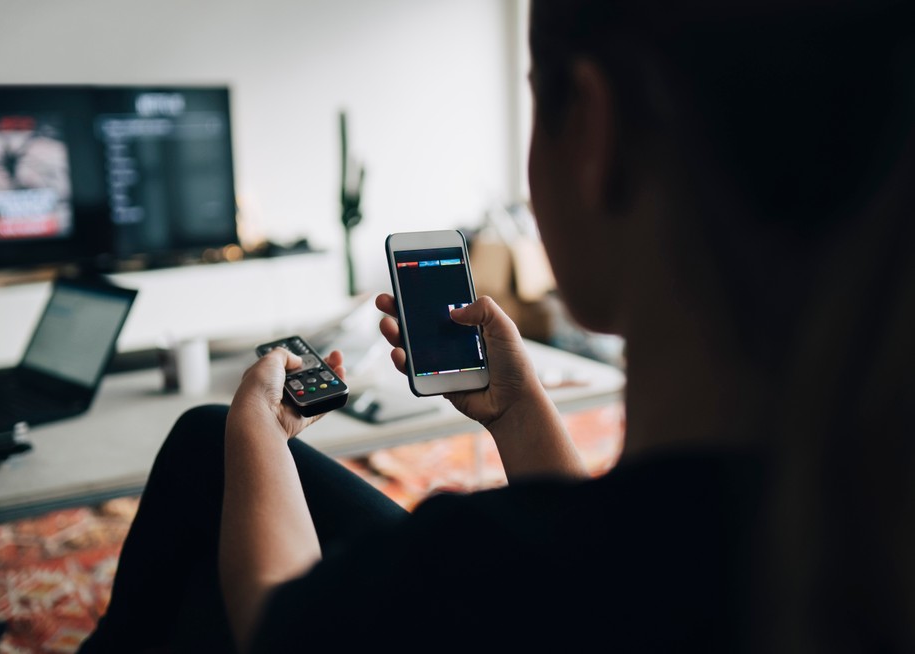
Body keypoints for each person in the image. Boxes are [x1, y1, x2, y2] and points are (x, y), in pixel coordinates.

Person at [78, 0, 915, 651]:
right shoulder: (846, 519)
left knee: (207, 455)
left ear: (593, 132)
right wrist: (518, 414)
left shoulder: (474, 579)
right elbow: (622, 561)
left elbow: (280, 623)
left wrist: (255, 428)